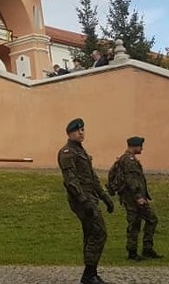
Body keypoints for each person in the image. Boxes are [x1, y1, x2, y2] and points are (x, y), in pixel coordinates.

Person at [58, 119, 114, 284]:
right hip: (81, 199)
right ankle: (88, 275)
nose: (81, 132)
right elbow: (71, 181)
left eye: (83, 129)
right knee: (99, 232)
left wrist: (105, 198)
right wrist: (84, 202)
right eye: (77, 130)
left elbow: (93, 178)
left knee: (91, 233)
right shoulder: (67, 152)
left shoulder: (81, 151)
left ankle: (91, 273)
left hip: (90, 198)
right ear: (69, 133)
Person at [114, 136, 162, 261]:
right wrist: (139, 197)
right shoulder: (129, 160)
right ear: (134, 146)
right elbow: (132, 180)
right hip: (133, 199)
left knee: (148, 220)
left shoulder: (129, 159)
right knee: (136, 223)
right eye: (140, 146)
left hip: (134, 198)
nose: (142, 148)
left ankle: (145, 249)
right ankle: (133, 252)